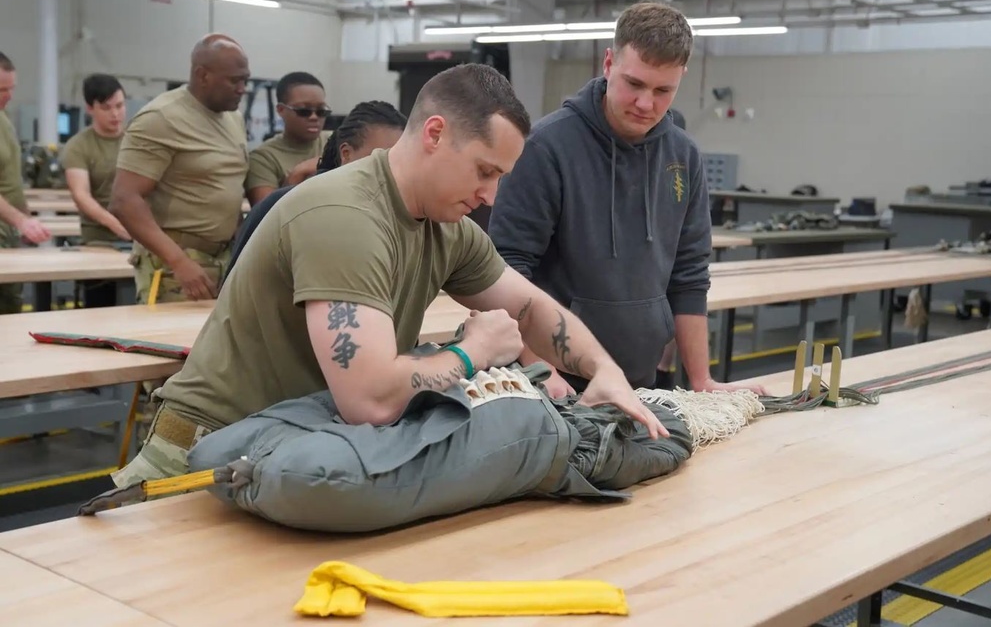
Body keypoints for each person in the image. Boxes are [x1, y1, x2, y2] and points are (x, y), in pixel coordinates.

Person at [110, 63, 669, 489]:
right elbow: (371, 400)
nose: (489, 196)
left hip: (290, 454)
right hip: (204, 458)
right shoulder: (345, 216)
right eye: (483, 171)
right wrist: (471, 354)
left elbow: (528, 308)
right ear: (433, 133)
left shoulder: (446, 227)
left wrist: (603, 370)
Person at [488, 3, 765, 397]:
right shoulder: (546, 148)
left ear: (681, 79)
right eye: (634, 84)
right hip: (556, 385)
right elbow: (504, 272)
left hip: (638, 381)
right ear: (607, 63)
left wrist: (702, 381)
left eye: (662, 90)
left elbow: (689, 275)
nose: (646, 104)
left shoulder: (684, 157)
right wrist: (538, 367)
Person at [110, 34, 251, 304]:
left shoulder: (233, 118)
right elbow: (123, 200)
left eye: (245, 79)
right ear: (202, 75)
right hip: (176, 267)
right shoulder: (161, 118)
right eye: (234, 80)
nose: (242, 88)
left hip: (221, 261)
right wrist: (179, 261)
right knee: (171, 345)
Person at [222, 99, 406, 285]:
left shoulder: (383, 207)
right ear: (346, 154)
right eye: (379, 159)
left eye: (397, 161)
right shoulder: (317, 209)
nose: (388, 171)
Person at [61, 73, 130, 308]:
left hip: (140, 237)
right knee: (101, 311)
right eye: (107, 107)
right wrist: (117, 225)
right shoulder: (79, 147)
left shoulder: (137, 140)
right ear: (90, 108)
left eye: (120, 106)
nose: (115, 114)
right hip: (99, 241)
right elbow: (82, 197)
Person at [0, 51, 51, 314]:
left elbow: (11, 181)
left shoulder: (4, 120)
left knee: (10, 307)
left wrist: (26, 219)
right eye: (1, 89)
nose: (8, 96)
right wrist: (21, 221)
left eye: (11, 88)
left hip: (8, 233)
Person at [244, 71, 330, 206]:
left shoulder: (338, 142)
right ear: (281, 110)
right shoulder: (263, 158)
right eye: (303, 111)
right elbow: (264, 214)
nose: (314, 117)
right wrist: (298, 174)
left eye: (321, 111)